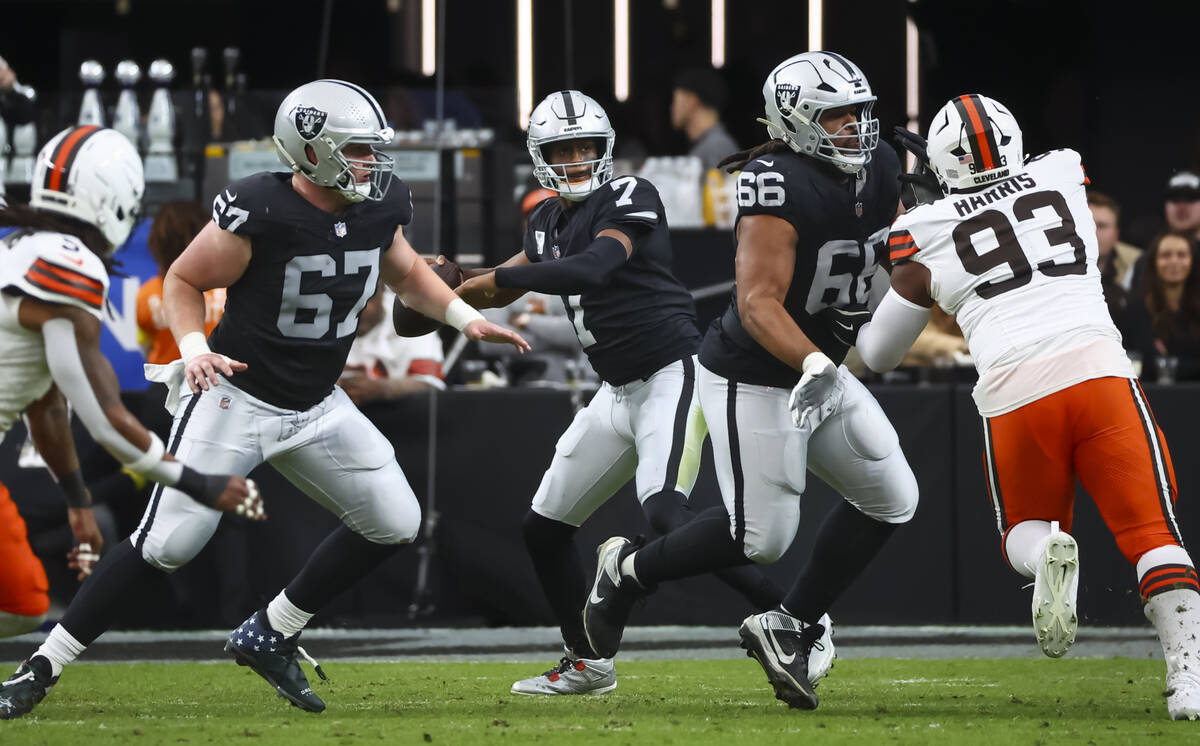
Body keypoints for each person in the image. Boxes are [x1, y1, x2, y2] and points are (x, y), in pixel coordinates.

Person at [0, 81, 528, 719]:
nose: (371, 164)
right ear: (312, 151)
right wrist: (193, 347)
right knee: (167, 544)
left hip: (316, 401)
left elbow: (406, 270)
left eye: (372, 151)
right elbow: (184, 278)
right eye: (357, 150)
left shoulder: (380, 200)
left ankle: (271, 631)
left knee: (395, 519)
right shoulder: (262, 208)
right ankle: (41, 666)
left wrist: (463, 317)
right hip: (238, 397)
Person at [580, 52, 918, 711]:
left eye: (861, 112)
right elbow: (759, 302)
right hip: (755, 371)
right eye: (837, 116)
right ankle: (625, 571)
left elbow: (895, 243)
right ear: (796, 122)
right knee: (762, 537)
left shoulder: (880, 164)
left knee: (892, 493)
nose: (856, 127)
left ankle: (788, 625)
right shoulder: (774, 180)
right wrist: (819, 363)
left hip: (820, 363)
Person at [856, 93, 1200, 721]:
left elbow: (879, 352)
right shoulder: (1062, 172)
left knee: (1024, 529)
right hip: (1098, 373)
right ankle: (1187, 678)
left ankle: (1047, 557)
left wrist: (920, 233)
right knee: (1154, 532)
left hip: (1015, 392)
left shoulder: (923, 232)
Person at [457, 90, 786, 696]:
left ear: (605, 148)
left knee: (665, 515)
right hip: (615, 391)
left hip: (672, 372)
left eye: (586, 146)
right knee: (544, 528)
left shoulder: (630, 194)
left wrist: (495, 278)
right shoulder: (544, 219)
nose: (578, 158)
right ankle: (587, 661)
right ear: (541, 156)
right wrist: (445, 287)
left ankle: (794, 616)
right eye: (564, 148)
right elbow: (501, 286)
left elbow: (593, 268)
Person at [0, 126, 258, 705]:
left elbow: (47, 404)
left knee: (19, 605)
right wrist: (198, 481)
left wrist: (77, 501)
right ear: (115, 199)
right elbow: (101, 415)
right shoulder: (70, 263)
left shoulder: (19, 246)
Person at [136, 201, 226, 365]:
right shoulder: (229, 288)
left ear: (157, 244)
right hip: (222, 380)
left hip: (167, 385)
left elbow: (146, 348)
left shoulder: (146, 294)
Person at [340, 286, 445, 403]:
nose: (358, 310)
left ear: (382, 291)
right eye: (348, 301)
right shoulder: (322, 319)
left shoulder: (410, 315)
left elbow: (431, 384)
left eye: (365, 300)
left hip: (399, 416)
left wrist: (381, 389)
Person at [1122, 232, 1200, 382]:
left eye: (1182, 255)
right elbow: (1134, 362)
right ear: (1153, 262)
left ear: (1193, 262)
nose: (1174, 261)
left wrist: (1165, 361)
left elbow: (1152, 362)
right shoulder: (1135, 311)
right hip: (1151, 396)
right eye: (1166, 255)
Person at [1087, 191, 1141, 322]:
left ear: (1116, 235)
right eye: (1088, 223)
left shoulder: (1137, 263)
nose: (1093, 231)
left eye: (1101, 226)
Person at [671, 68, 738, 172]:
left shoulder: (716, 147)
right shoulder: (710, 145)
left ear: (692, 101)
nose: (672, 107)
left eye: (675, 100)